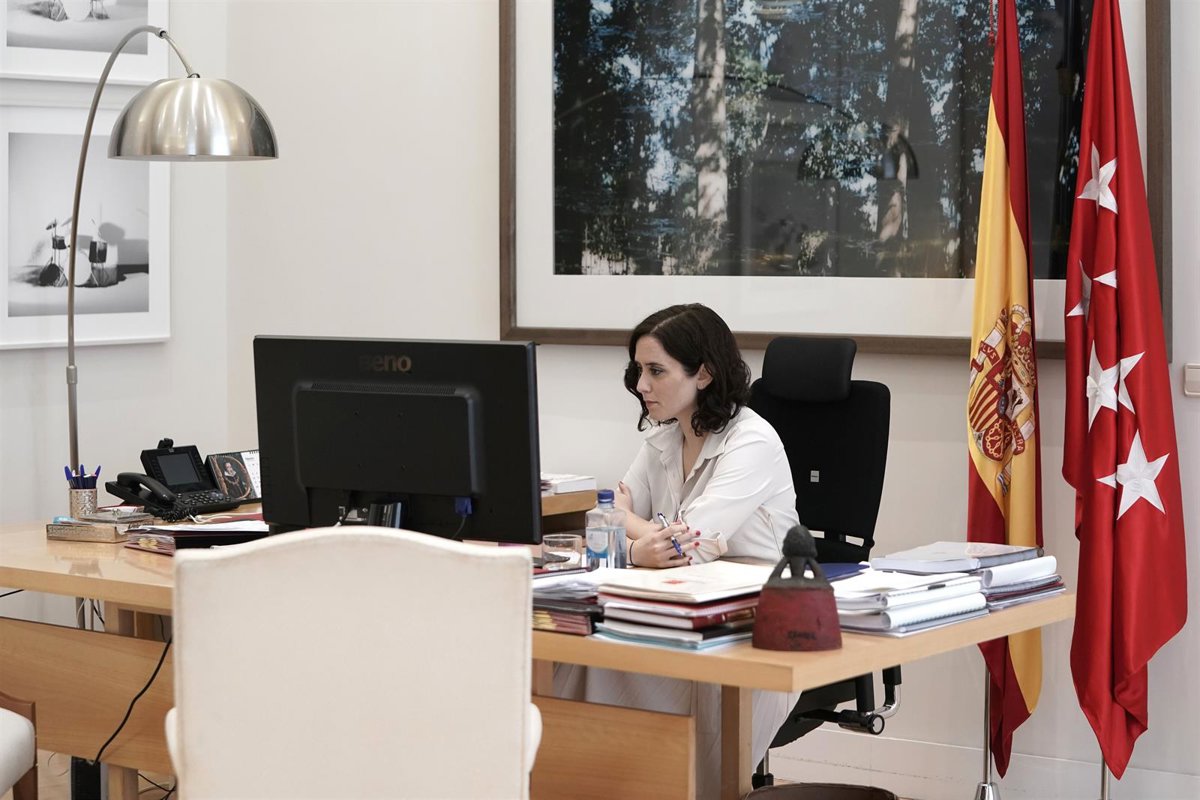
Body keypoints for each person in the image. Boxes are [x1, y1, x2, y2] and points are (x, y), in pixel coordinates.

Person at [554, 303, 801, 799]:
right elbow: (609, 515)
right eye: (638, 371)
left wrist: (634, 529)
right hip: (676, 596)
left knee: (631, 664)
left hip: (754, 615)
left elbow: (688, 546)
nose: (641, 385)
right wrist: (640, 544)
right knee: (582, 650)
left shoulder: (753, 441)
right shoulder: (663, 437)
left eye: (656, 371)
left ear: (703, 374)